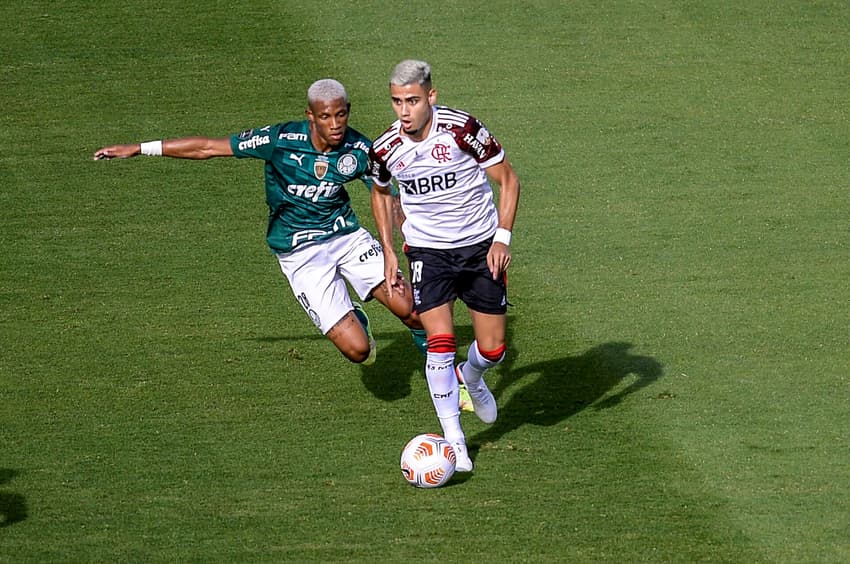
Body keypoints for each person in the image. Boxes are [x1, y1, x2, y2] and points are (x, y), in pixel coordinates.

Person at [94, 78, 427, 365]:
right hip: (300, 255)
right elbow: (208, 148)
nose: (336, 124)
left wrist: (408, 240)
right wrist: (139, 148)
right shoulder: (279, 140)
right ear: (310, 116)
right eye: (326, 116)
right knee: (357, 350)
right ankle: (354, 315)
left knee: (412, 310)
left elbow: (388, 197)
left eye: (341, 114)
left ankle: (442, 372)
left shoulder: (360, 149)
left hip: (346, 238)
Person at [369, 60, 521, 472]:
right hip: (427, 253)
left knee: (493, 350)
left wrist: (502, 238)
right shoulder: (385, 148)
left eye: (413, 101)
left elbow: (508, 180)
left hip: (479, 249)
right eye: (397, 102)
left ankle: (470, 376)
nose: (404, 111)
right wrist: (388, 250)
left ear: (430, 97)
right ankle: (455, 441)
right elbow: (381, 194)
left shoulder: (463, 130)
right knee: (439, 339)